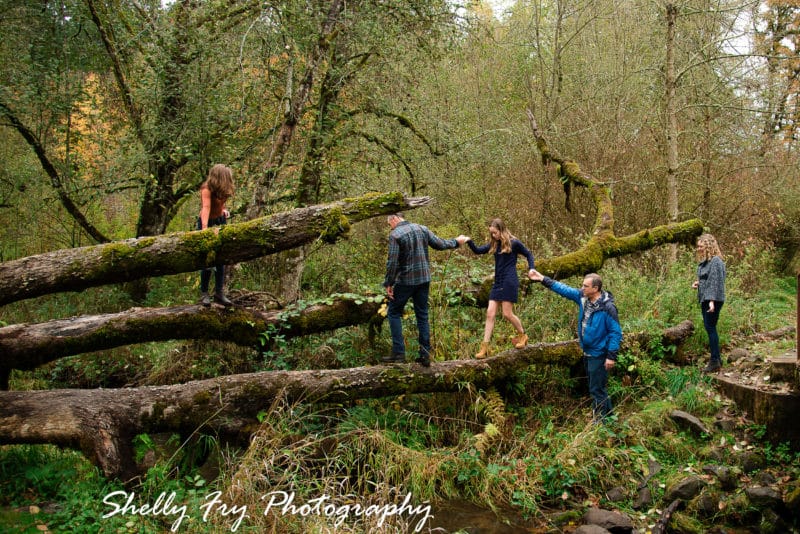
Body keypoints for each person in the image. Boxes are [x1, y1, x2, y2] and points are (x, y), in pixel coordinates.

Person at [529, 270, 622, 421]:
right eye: (582, 285)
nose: (582, 288)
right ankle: (610, 418)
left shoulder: (608, 308)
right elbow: (564, 289)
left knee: (596, 390)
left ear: (595, 289)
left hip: (599, 353)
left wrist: (611, 356)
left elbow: (615, 333)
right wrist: (542, 279)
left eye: (585, 286)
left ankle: (600, 423)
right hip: (587, 351)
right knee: (598, 388)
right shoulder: (583, 297)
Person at [383, 213, 468, 366]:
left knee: (393, 312)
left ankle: (399, 353)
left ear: (394, 219)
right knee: (422, 315)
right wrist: (457, 242)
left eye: (390, 224)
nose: (391, 227)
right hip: (424, 279)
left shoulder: (395, 235)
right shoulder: (422, 228)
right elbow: (440, 244)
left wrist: (388, 283)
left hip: (406, 280)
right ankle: (425, 354)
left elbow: (392, 262)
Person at [466, 218, 536, 358]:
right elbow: (478, 251)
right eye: (491, 233)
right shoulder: (494, 243)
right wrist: (468, 241)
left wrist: (531, 269)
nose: (493, 236)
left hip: (509, 281)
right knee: (490, 313)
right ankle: (484, 348)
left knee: (507, 314)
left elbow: (528, 254)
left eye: (495, 233)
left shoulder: (514, 243)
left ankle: (523, 335)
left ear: (501, 230)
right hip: (497, 281)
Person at [197, 164, 235, 307]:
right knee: (207, 261)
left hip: (220, 221)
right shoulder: (207, 188)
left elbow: (221, 204)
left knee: (221, 260)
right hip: (207, 222)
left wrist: (224, 210)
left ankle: (219, 293)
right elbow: (206, 208)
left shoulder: (223, 189)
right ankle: (204, 294)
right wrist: (205, 230)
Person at [692, 233, 726, 373]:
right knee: (710, 327)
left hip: (712, 300)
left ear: (708, 246)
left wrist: (712, 301)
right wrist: (698, 283)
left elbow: (716, 282)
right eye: (698, 246)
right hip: (706, 299)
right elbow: (707, 279)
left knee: (710, 327)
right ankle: (717, 358)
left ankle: (714, 361)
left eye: (701, 246)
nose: (698, 249)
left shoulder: (716, 261)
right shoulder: (706, 262)